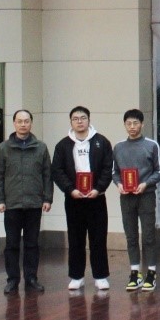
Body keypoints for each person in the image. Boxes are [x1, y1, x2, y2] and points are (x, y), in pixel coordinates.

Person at [51, 105, 113, 291]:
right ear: (71, 122)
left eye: (83, 118)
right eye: (75, 119)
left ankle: (100, 276)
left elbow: (108, 168)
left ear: (89, 120)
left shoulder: (101, 142)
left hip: (96, 197)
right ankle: (76, 276)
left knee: (98, 238)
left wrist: (99, 188)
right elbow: (57, 170)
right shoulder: (63, 145)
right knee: (75, 238)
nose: (80, 121)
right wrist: (70, 189)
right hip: (74, 199)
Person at [0, 109, 52, 294]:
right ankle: (12, 280)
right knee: (12, 244)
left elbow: (47, 175)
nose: (23, 124)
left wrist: (47, 198)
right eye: (19, 121)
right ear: (14, 123)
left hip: (34, 203)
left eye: (26, 121)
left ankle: (31, 278)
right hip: (12, 204)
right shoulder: (3, 148)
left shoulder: (41, 147)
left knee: (32, 244)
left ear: (31, 123)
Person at [113, 108, 160, 292]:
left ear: (142, 124)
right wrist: (119, 184)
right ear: (124, 125)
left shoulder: (151, 145)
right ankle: (135, 273)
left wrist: (145, 184)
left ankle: (151, 272)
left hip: (146, 195)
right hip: (126, 197)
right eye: (128, 123)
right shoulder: (118, 147)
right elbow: (114, 172)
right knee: (131, 235)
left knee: (148, 235)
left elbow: (159, 170)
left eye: (135, 123)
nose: (132, 127)